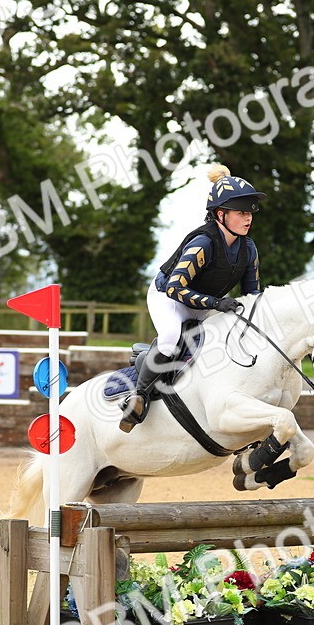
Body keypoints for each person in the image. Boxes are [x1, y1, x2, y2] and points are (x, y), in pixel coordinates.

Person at [119, 164, 265, 429]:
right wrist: (217, 303)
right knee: (170, 340)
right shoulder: (203, 243)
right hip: (169, 298)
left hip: (203, 303)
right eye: (241, 212)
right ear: (221, 215)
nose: (248, 218)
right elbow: (176, 288)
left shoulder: (249, 249)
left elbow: (252, 295)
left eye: (250, 212)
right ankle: (137, 397)